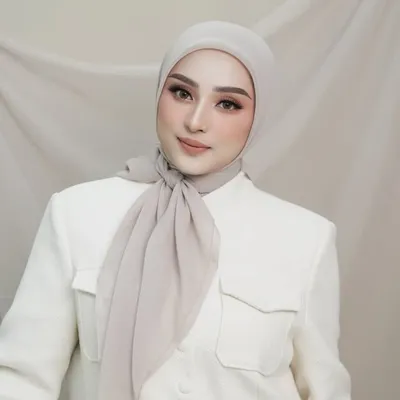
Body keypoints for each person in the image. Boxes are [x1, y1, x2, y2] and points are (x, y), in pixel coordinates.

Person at [0, 21, 351, 400]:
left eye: (228, 104)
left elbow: (325, 391)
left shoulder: (306, 238)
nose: (195, 122)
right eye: (182, 93)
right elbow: (22, 380)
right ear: (159, 94)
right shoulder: (76, 214)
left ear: (258, 117)